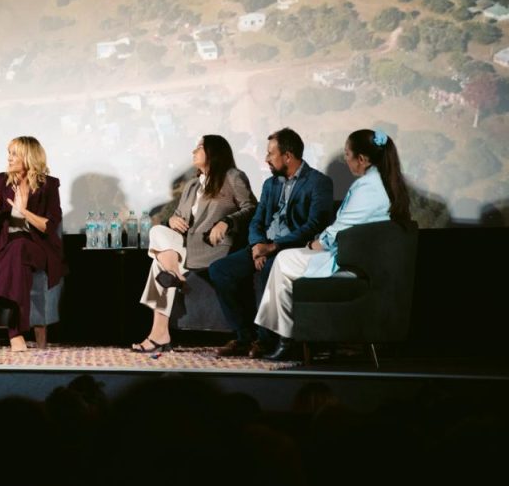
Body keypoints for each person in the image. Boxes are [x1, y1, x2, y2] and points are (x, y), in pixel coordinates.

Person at [257, 129, 411, 360]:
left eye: (347, 154)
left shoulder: (369, 187)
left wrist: (316, 244)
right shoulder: (383, 181)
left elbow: (341, 228)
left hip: (353, 262)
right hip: (360, 257)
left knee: (283, 259)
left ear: (362, 159)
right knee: (286, 261)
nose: (345, 159)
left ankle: (285, 338)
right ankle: (287, 336)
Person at [209, 128, 334, 358]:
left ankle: (265, 341)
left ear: (288, 156)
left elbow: (314, 225)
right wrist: (257, 246)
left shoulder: (319, 182)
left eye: (270, 153)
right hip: (263, 246)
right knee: (219, 270)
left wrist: (274, 247)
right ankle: (244, 337)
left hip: (292, 250)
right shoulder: (270, 184)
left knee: (269, 267)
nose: (266, 159)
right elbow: (256, 220)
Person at [132, 135, 257, 352]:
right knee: (157, 230)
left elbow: (251, 207)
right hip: (186, 247)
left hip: (212, 248)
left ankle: (159, 334)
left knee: (158, 264)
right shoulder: (191, 185)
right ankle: (174, 273)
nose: (194, 151)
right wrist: (173, 220)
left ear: (214, 152)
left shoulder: (232, 176)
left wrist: (227, 222)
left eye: (199, 147)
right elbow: (179, 218)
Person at [0, 136, 64, 351]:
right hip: (6, 248)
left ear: (29, 156)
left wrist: (23, 211)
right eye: (9, 153)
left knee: (21, 244)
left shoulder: (49, 185)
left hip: (38, 248)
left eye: (14, 153)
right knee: (18, 260)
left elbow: (49, 226)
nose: (9, 158)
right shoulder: (1, 180)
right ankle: (16, 333)